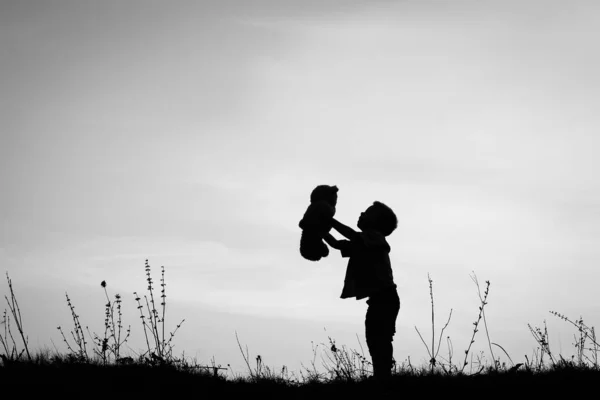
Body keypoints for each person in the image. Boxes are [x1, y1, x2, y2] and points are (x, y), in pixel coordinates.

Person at [323, 201, 399, 380]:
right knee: (375, 338)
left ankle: (383, 377)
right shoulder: (365, 242)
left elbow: (351, 235)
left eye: (368, 212)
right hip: (380, 300)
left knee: (379, 338)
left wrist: (330, 221)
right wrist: (319, 230)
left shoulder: (375, 238)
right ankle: (382, 375)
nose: (362, 213)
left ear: (377, 223)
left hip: (385, 299)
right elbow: (336, 244)